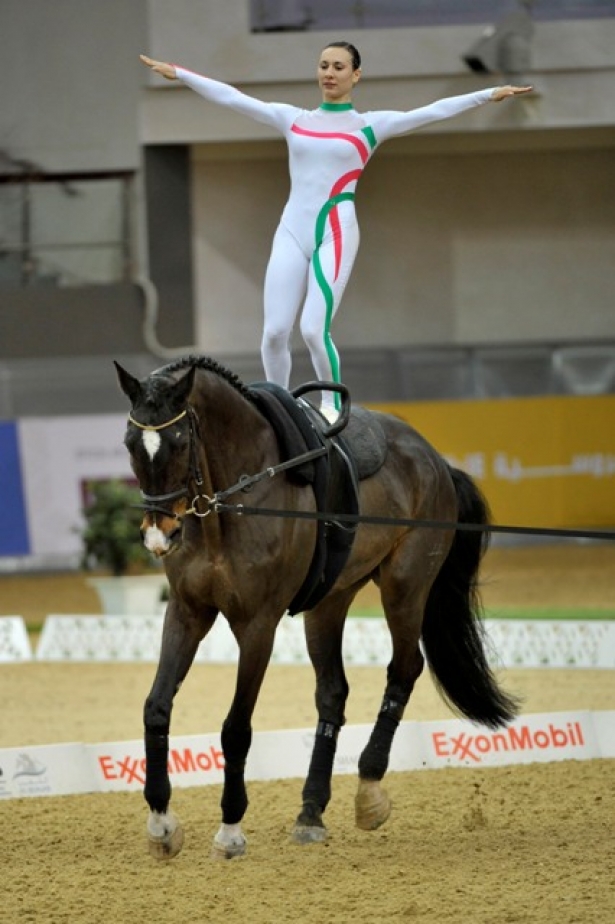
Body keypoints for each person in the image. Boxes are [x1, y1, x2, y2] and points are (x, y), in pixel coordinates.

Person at [140, 45, 532, 420]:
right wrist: (181, 75)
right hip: (291, 230)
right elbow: (234, 98)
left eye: (339, 67)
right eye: (324, 65)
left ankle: (332, 403)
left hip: (336, 233)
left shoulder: (370, 126)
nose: (329, 73)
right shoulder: (292, 118)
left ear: (356, 75)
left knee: (312, 329)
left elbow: (434, 111)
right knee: (275, 332)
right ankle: (276, 407)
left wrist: (488, 94)